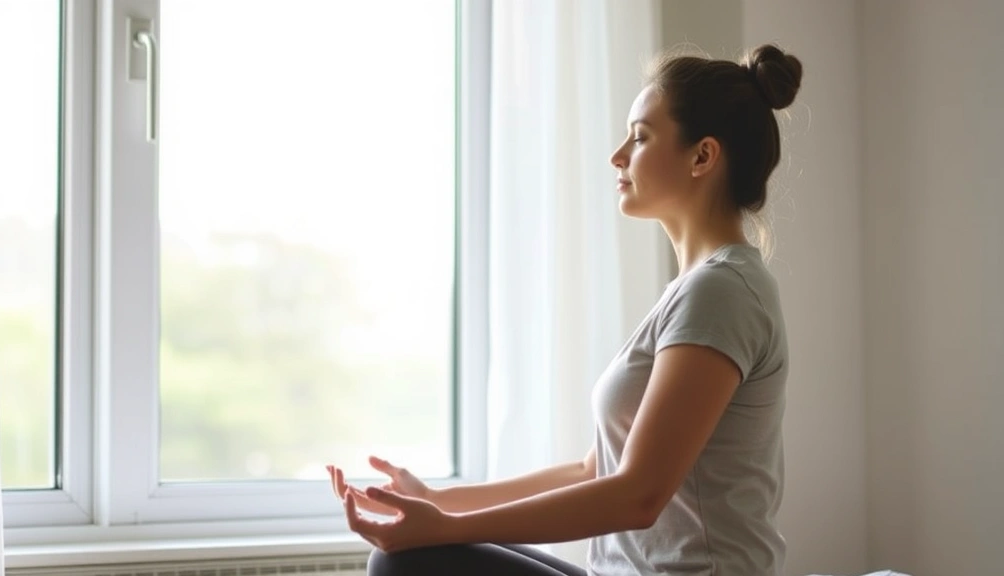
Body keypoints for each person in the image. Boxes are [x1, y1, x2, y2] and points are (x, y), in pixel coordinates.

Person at [326, 43, 802, 576]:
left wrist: (446, 528)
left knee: (403, 567)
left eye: (641, 137)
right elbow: (594, 470)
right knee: (406, 559)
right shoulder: (699, 290)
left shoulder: (723, 292)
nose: (617, 155)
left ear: (702, 156)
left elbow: (638, 497)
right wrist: (443, 502)